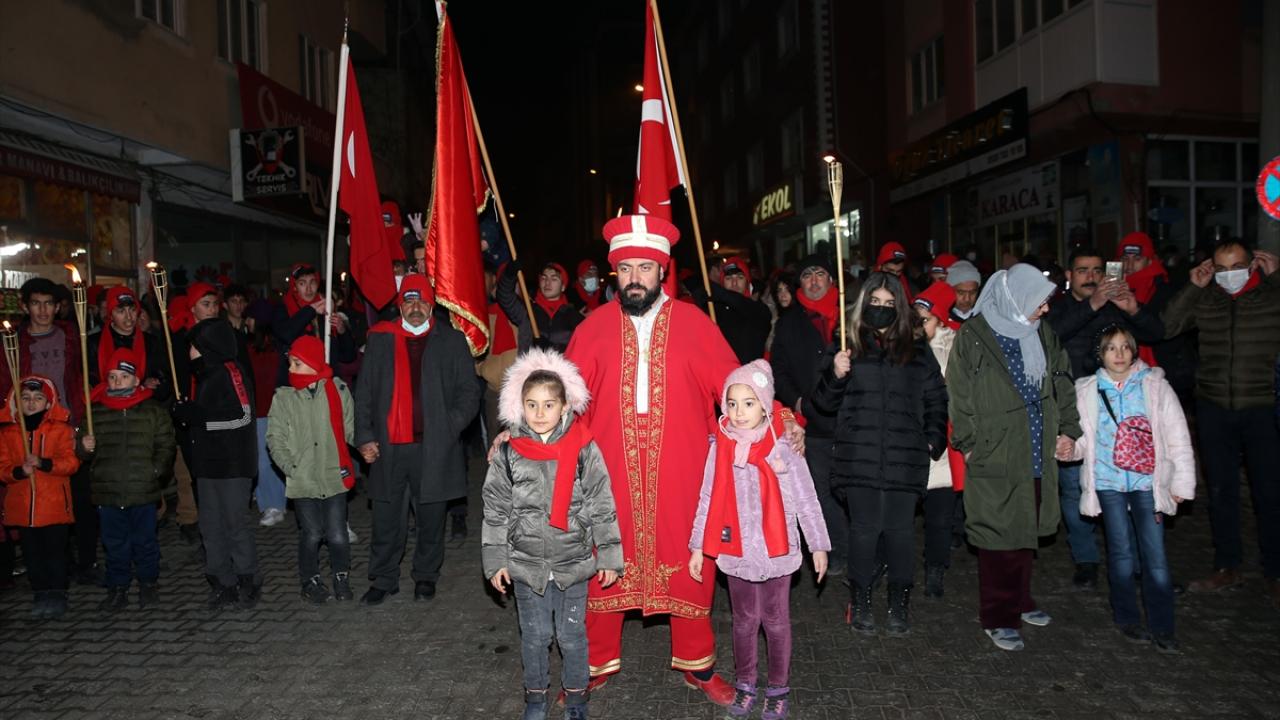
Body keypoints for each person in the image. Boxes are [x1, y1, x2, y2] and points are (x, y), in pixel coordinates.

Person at [562, 214, 798, 705]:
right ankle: (594, 663)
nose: (634, 278)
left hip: (685, 476)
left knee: (692, 568)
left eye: (644, 268)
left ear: (662, 271)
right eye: (625, 268)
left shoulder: (693, 323)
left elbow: (737, 387)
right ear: (614, 273)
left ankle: (698, 666)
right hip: (609, 477)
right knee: (602, 558)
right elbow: (563, 402)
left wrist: (781, 420)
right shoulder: (592, 327)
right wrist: (524, 436)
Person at [482, 348, 622, 720]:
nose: (540, 413)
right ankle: (535, 698)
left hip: (573, 563)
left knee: (572, 636)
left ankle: (576, 698)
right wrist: (496, 561)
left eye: (548, 404)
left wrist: (609, 555)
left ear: (565, 407)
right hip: (526, 566)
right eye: (532, 405)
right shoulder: (510, 453)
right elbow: (495, 512)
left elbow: (601, 503)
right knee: (535, 637)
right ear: (520, 407)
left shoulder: (583, 448)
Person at [947, 264, 1080, 652]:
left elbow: (1062, 380)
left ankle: (1020, 599)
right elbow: (959, 391)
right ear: (1016, 297)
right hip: (996, 447)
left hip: (1036, 445)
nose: (1045, 310)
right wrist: (970, 443)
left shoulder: (1042, 333)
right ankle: (997, 615)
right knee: (996, 534)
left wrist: (1068, 429)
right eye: (1039, 302)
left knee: (1026, 526)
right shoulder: (975, 335)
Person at [688, 361, 830, 720]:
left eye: (748, 403)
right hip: (736, 551)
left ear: (765, 405)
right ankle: (746, 682)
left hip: (777, 551)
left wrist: (818, 544)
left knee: (776, 620)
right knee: (743, 620)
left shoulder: (783, 448)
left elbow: (806, 498)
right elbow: (706, 496)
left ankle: (778, 688)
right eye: (732, 403)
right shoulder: (719, 447)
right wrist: (696, 546)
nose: (738, 412)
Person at [812, 273, 947, 636]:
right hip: (859, 456)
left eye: (890, 304)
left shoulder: (916, 348)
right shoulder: (847, 342)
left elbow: (936, 395)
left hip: (905, 455)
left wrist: (934, 436)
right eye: (876, 302)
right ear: (863, 303)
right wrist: (836, 375)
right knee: (865, 531)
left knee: (901, 533)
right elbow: (821, 404)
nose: (883, 310)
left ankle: (899, 603)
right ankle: (862, 600)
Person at [1162, 240, 1280, 603]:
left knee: (1270, 492)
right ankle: (1227, 566)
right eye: (1222, 269)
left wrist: (1278, 280)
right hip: (1214, 406)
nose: (1230, 276)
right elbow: (1168, 325)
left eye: (1238, 266)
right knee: (1221, 492)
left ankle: (1275, 571)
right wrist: (1193, 285)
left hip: (1263, 406)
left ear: (1254, 264)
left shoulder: (1271, 296)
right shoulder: (1208, 298)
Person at [354, 275, 481, 605]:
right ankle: (384, 578)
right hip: (388, 447)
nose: (415, 308)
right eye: (409, 301)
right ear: (400, 304)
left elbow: (469, 392)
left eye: (422, 301)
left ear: (431, 305)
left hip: (433, 446)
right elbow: (364, 392)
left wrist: (448, 426)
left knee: (430, 517)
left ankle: (426, 576)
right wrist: (364, 436)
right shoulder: (380, 339)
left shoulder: (451, 341)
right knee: (386, 518)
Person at [1071, 326, 1195, 653]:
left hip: (1147, 483)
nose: (1120, 353)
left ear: (1135, 350)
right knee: (1121, 553)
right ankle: (1127, 617)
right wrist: (1071, 449)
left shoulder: (1155, 387)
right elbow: (1085, 439)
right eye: (1111, 348)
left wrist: (1181, 482)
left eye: (1126, 346)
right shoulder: (1087, 390)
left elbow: (1177, 437)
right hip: (1109, 482)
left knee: (1155, 557)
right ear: (1100, 354)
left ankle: (1163, 626)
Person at [1047, 246, 1164, 590]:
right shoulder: (1058, 307)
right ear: (1069, 276)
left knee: (1130, 489)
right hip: (1075, 410)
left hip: (1124, 414)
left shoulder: (1120, 304)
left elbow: (1158, 331)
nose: (1092, 277)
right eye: (1083, 270)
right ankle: (1086, 558)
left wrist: (1133, 309)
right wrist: (1092, 305)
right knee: (1072, 489)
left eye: (1098, 270)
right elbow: (1050, 336)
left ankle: (1137, 561)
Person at [171, 318, 260, 610]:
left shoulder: (230, 372)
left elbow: (242, 416)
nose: (190, 354)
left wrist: (199, 417)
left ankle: (248, 578)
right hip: (207, 466)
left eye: (194, 348)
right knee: (210, 526)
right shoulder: (204, 375)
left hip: (233, 465)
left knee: (235, 524)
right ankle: (222, 581)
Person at [769, 254, 847, 578]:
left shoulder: (848, 317)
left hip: (850, 422)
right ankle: (839, 551)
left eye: (820, 274)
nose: (814, 281)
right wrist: (796, 401)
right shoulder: (789, 323)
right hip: (812, 424)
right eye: (807, 275)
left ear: (831, 279)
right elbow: (779, 370)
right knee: (820, 491)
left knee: (850, 490)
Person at [82, 349, 176, 612]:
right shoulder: (96, 411)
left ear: (136, 380)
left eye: (123, 376)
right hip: (108, 491)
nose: (116, 382)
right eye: (112, 377)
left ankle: (148, 583)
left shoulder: (152, 410)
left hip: (142, 489)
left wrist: (155, 472)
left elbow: (166, 444)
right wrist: (84, 446)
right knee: (114, 544)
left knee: (145, 541)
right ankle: (118, 587)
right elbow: (81, 451)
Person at [267, 336, 356, 605]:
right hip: (302, 478)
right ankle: (310, 580)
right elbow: (275, 436)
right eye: (290, 363)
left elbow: (351, 429)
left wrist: (368, 445)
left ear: (313, 364)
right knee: (312, 533)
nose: (291, 369)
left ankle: (341, 575)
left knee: (337, 532)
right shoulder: (284, 397)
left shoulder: (338, 391)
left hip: (333, 474)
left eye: (298, 363)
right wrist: (290, 466)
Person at [0, 375, 80, 618]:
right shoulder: (9, 433)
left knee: (55, 552)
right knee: (32, 555)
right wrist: (18, 471)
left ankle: (57, 592)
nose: (31, 403)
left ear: (49, 403)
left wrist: (44, 463)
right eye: (25, 398)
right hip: (24, 509)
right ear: (16, 403)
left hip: (54, 506)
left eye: (38, 398)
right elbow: (3, 467)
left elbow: (71, 463)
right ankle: (40, 592)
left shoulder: (60, 430)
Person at [912, 281, 966, 598]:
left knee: (939, 517)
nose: (918, 325)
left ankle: (936, 568)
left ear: (941, 320)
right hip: (909, 443)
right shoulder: (903, 346)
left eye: (925, 319)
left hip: (941, 448)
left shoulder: (957, 349)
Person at [271, 263, 355, 387]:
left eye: (312, 282)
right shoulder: (284, 310)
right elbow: (286, 334)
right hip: (294, 388)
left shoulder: (326, 310)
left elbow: (348, 356)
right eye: (302, 283)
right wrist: (311, 310)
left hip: (325, 386)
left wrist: (342, 331)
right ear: (294, 286)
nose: (309, 289)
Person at [685, 256, 772, 364]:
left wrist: (720, 293)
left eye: (740, 278)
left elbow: (741, 304)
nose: (734, 283)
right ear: (722, 283)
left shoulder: (759, 310)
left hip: (748, 377)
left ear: (747, 281)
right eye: (728, 278)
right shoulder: (715, 310)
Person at [497, 261, 583, 353]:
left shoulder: (574, 317)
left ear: (563, 286)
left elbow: (581, 349)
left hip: (561, 366)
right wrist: (509, 275)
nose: (547, 283)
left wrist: (553, 349)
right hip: (530, 366)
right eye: (544, 278)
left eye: (554, 279)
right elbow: (505, 296)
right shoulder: (528, 311)